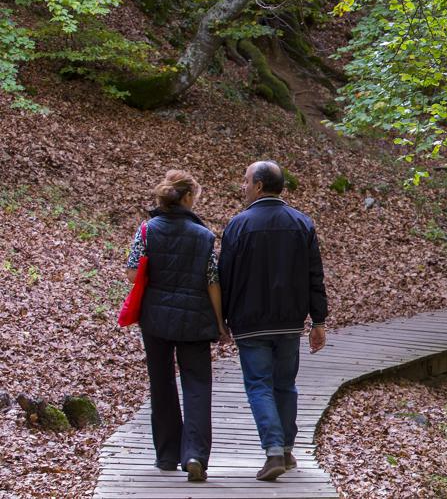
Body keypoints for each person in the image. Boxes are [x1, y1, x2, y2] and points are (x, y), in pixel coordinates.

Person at [218, 160, 328, 481]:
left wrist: (221, 319)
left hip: (250, 323)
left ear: (260, 186)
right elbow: (314, 276)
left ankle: (274, 451)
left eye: (246, 181)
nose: (243, 186)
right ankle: (287, 449)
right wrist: (317, 320)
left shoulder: (237, 225)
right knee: (285, 385)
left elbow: (225, 276)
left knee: (258, 386)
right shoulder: (302, 224)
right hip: (289, 322)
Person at [125, 170, 225, 483]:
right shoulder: (204, 236)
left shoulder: (146, 230)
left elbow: (131, 273)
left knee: (162, 382)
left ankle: (167, 455)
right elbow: (212, 281)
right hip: (195, 319)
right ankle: (194, 454)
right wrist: (220, 322)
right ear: (186, 198)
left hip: (155, 318)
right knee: (197, 385)